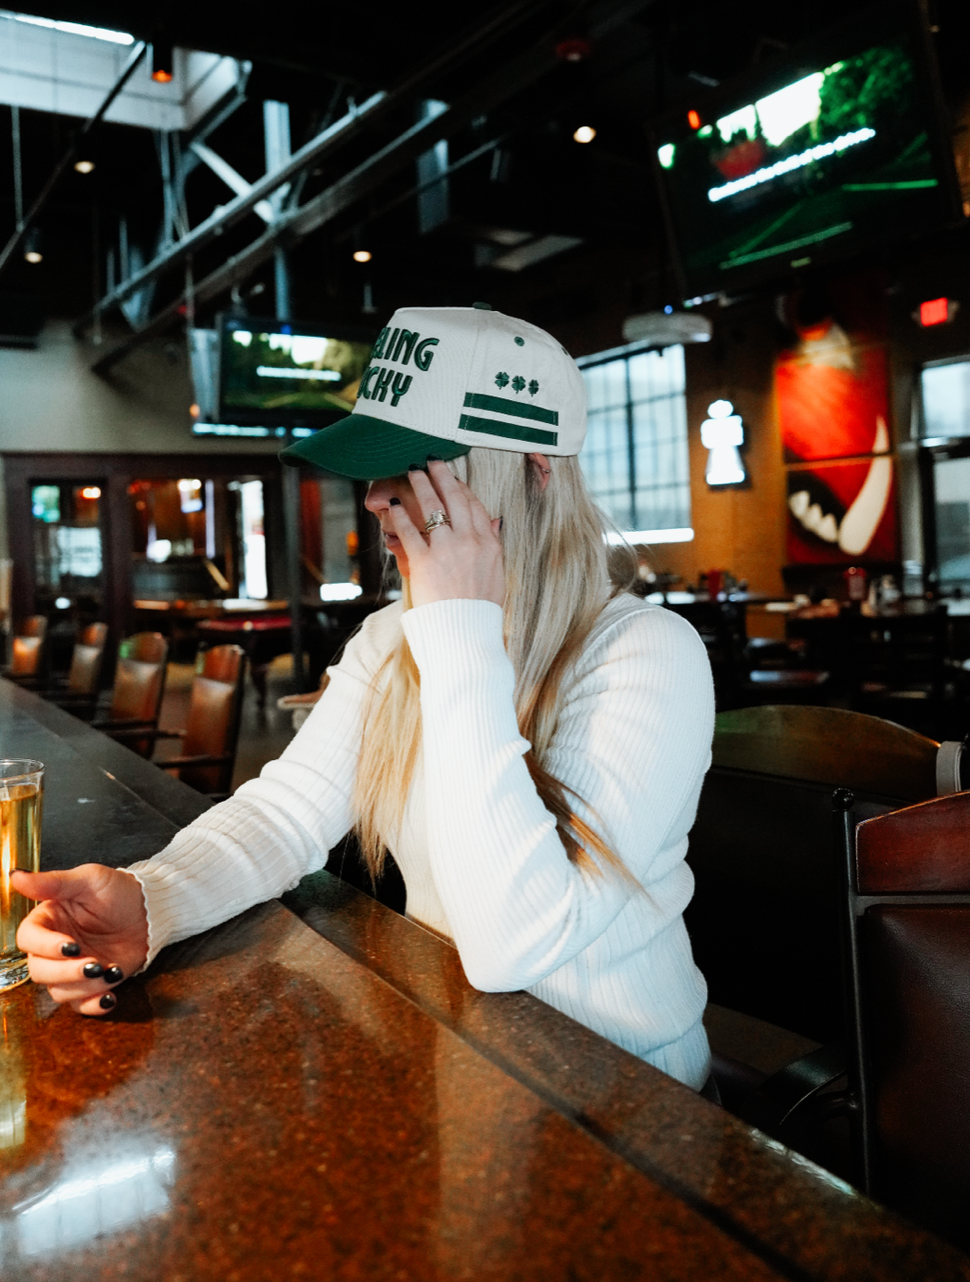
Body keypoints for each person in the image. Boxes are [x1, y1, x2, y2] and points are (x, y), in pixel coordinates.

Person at [13, 305, 716, 1090]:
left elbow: (511, 946)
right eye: (375, 464)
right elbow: (285, 814)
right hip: (467, 1068)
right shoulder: (393, 637)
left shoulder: (647, 654)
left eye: (415, 465)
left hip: (633, 1102)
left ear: (533, 470)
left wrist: (457, 631)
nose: (378, 495)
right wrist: (154, 902)